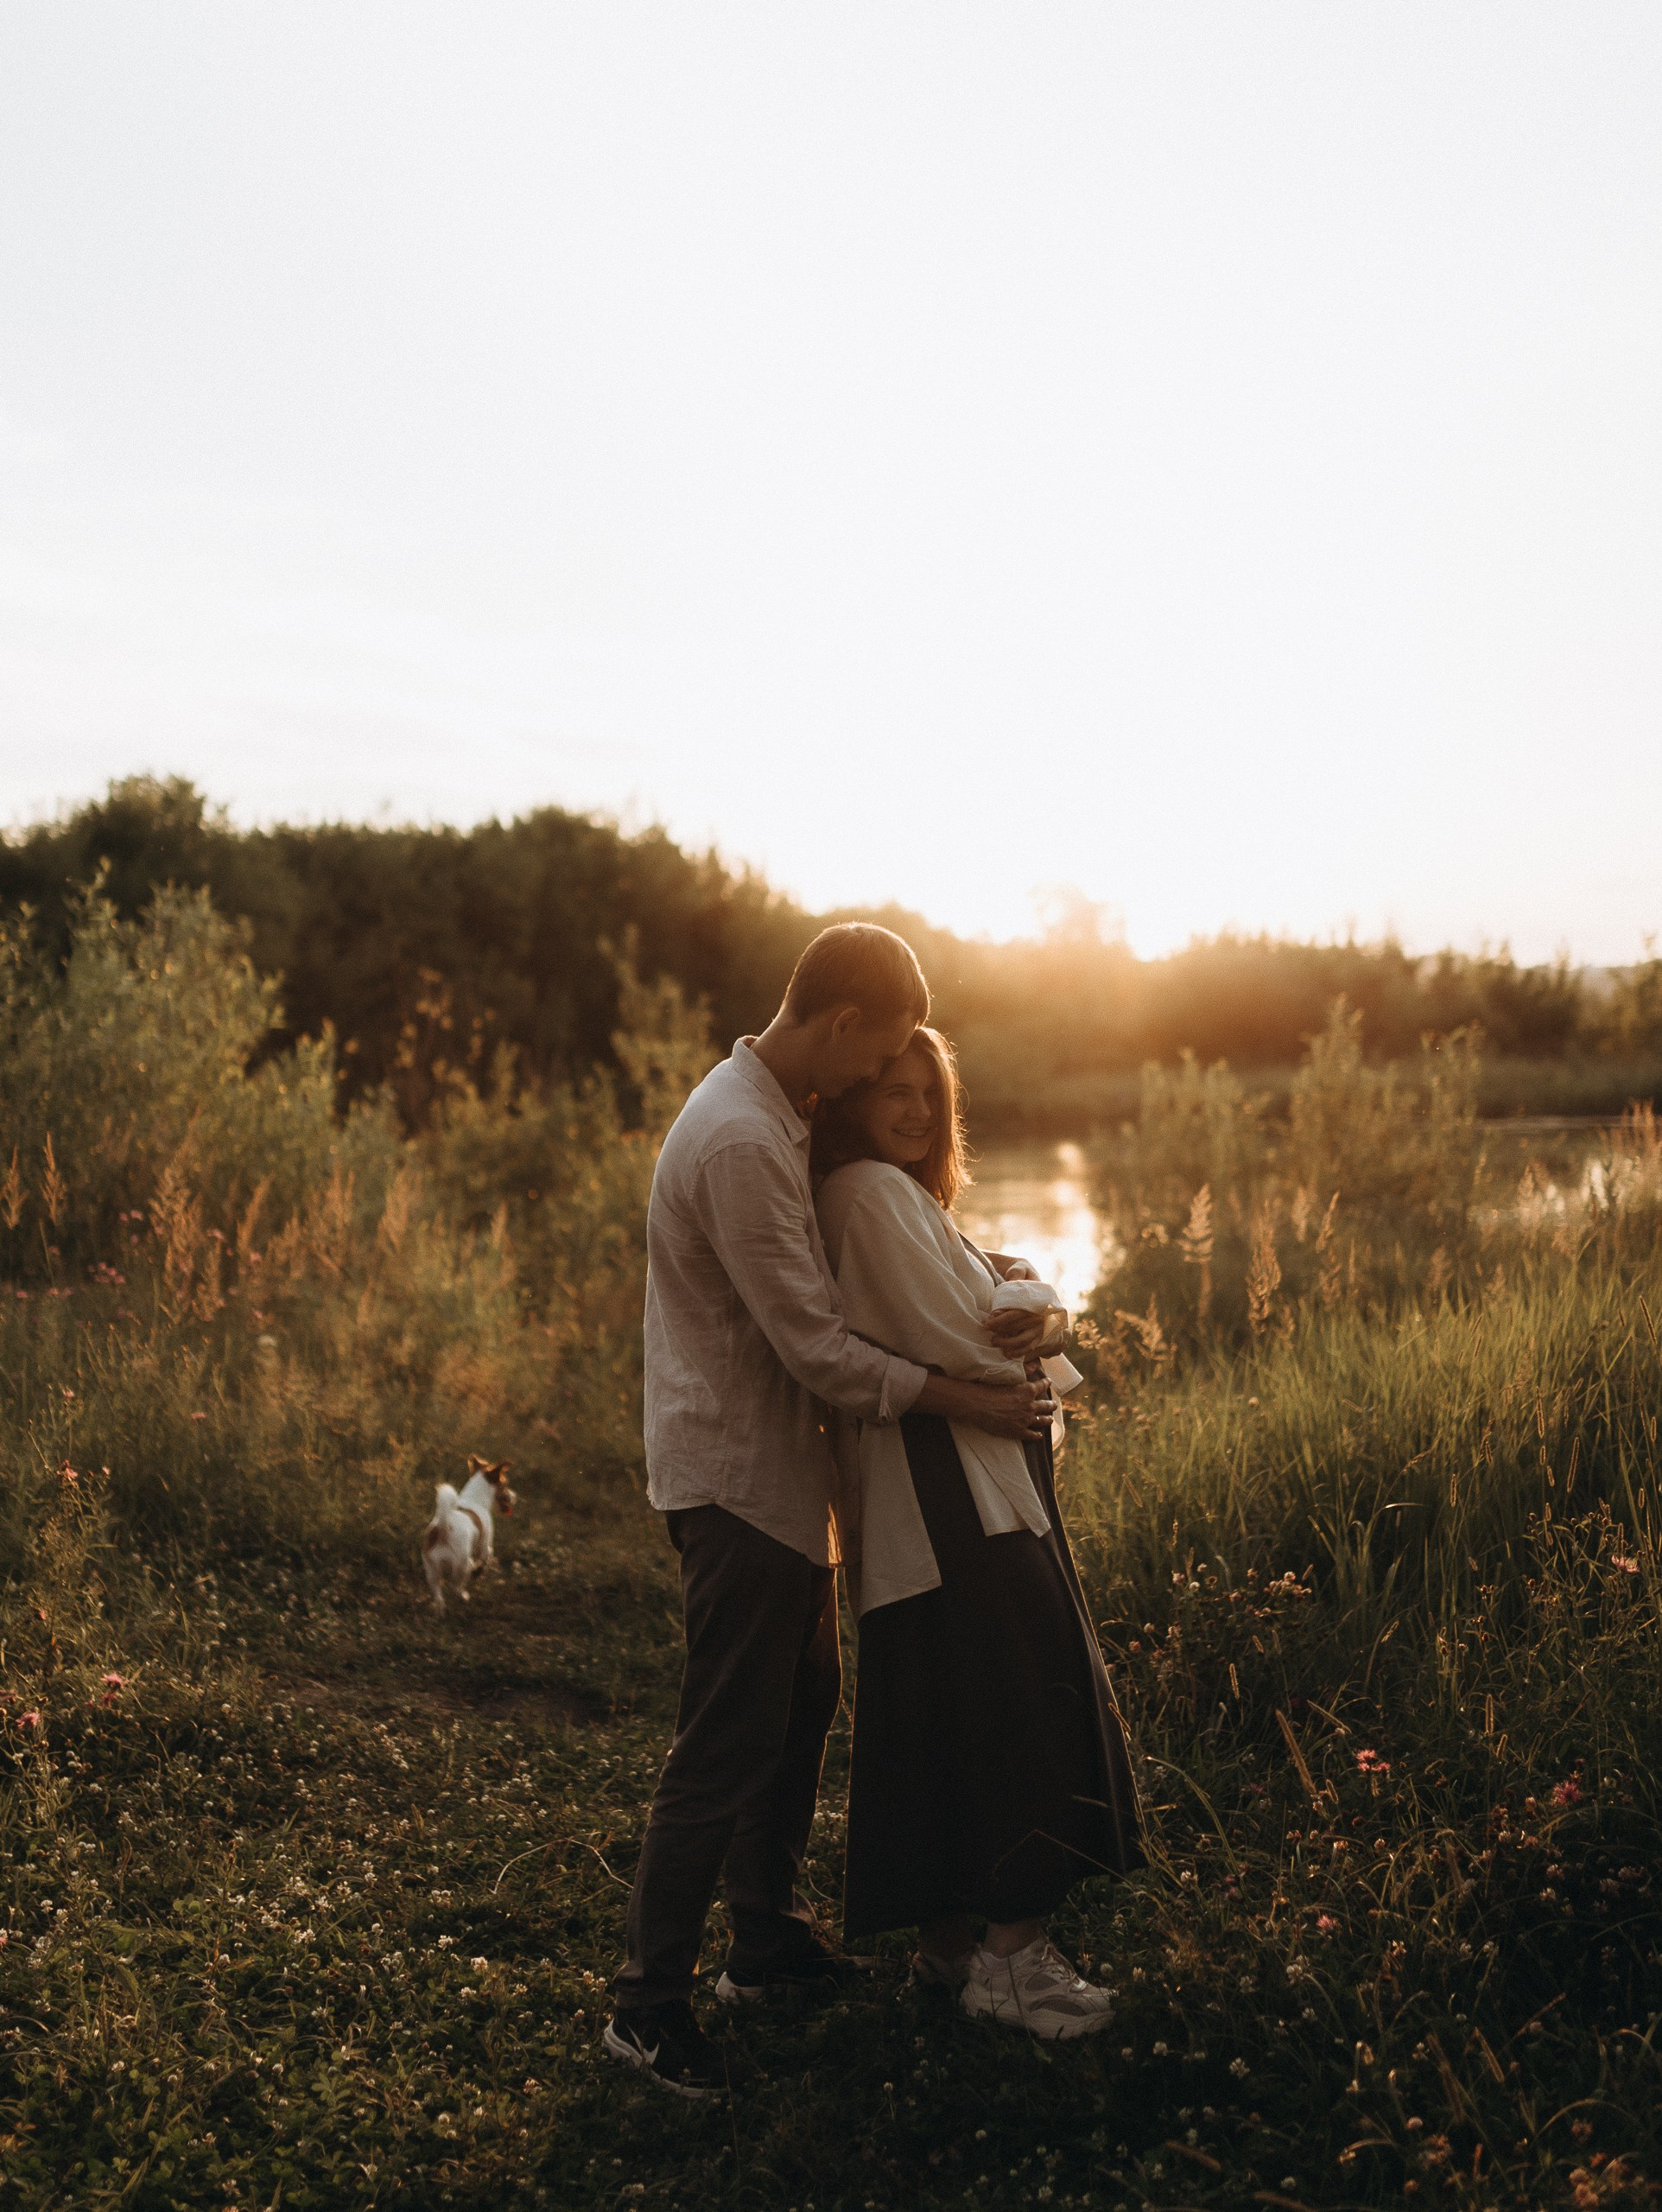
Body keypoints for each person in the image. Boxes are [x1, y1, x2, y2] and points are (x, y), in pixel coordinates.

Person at [605, 925, 1056, 2097]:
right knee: (726, 1739)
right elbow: (816, 1348)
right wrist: (968, 1395)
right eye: (882, 1055)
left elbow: (867, 1277)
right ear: (845, 1024)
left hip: (781, 1480)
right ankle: (647, 2007)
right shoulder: (746, 1138)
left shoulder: (771, 1108)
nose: (876, 1084)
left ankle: (763, 1944)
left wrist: (989, 1280)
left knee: (802, 1709)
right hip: (737, 1478)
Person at [811, 1026, 1143, 2041]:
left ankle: (950, 1944)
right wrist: (1038, 1348)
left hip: (952, 1483)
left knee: (947, 1705)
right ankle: (1013, 1961)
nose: (913, 1110)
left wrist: (1039, 1309)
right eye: (891, 1090)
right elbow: (965, 1334)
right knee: (1020, 1701)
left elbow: (999, 1287)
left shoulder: (901, 1197)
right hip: (949, 1487)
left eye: (928, 1092)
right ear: (852, 1101)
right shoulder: (864, 1192)